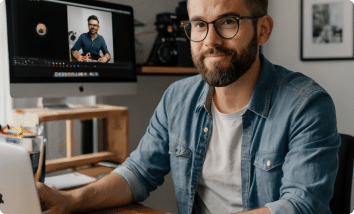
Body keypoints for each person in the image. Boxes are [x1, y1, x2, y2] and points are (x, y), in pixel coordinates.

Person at [37, 0, 341, 213]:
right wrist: (70, 201)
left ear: (262, 29)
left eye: (227, 22)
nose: (210, 40)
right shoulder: (177, 98)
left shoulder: (307, 105)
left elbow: (301, 206)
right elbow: (139, 172)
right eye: (198, 24)